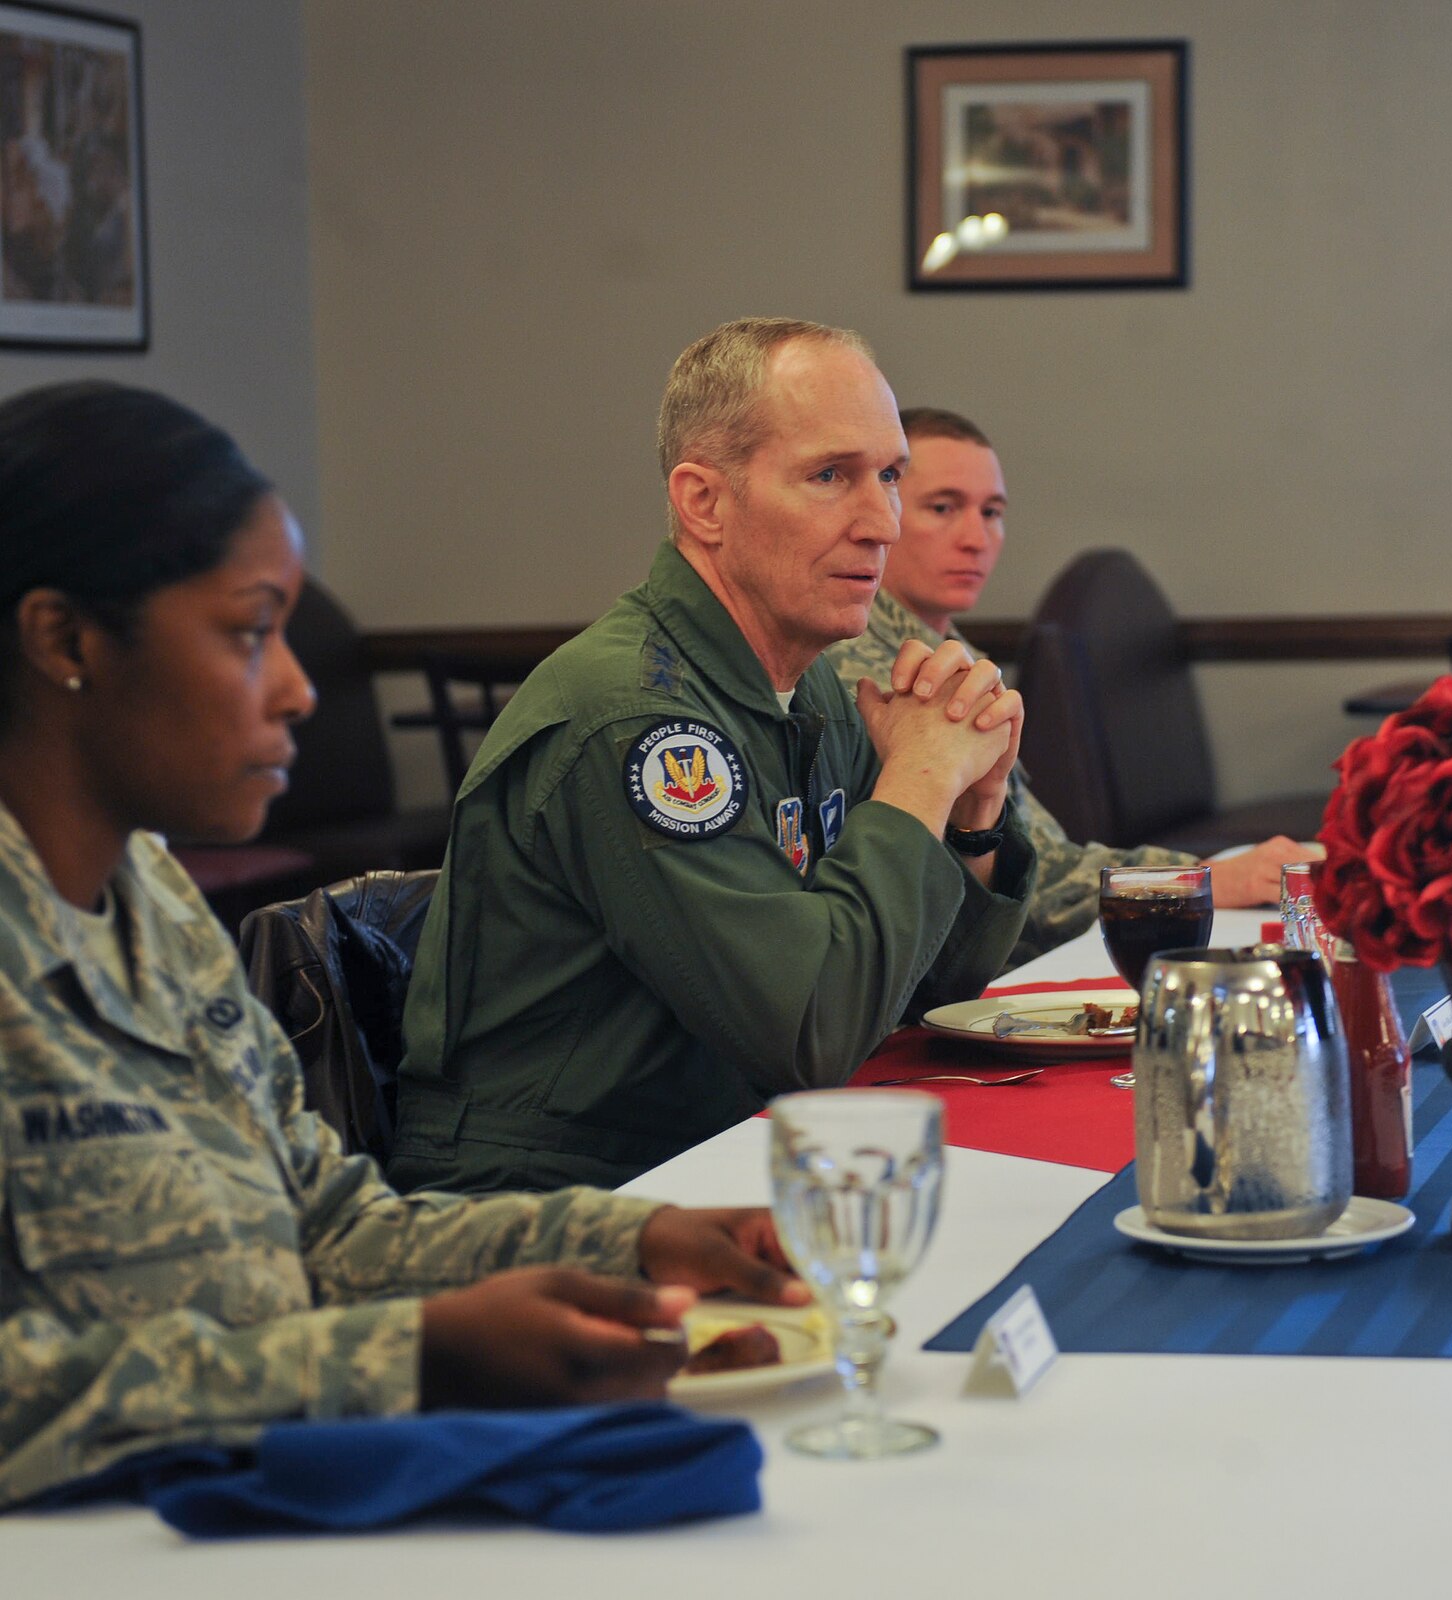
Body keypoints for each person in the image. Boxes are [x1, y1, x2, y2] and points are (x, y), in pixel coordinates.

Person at [0, 381, 809, 1512]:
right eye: (248, 632)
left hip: (243, 1510)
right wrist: (402, 1361)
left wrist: (639, 1240)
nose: (296, 689)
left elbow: (327, 1228)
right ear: (66, 637)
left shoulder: (155, 904)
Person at [391, 320, 1033, 1194]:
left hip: (726, 1153)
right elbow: (813, 1030)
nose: (882, 522)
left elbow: (912, 993)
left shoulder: (806, 688)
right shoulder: (636, 720)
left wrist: (970, 815)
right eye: (830, 476)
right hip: (563, 1197)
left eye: (888, 476)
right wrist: (919, 777)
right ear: (704, 503)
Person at [824, 407, 1316, 966]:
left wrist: (1203, 875)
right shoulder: (867, 670)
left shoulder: (950, 652)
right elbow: (1016, 893)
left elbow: (1039, 858)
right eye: (943, 508)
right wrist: (1198, 880)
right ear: (884, 511)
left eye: (992, 512)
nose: (976, 537)